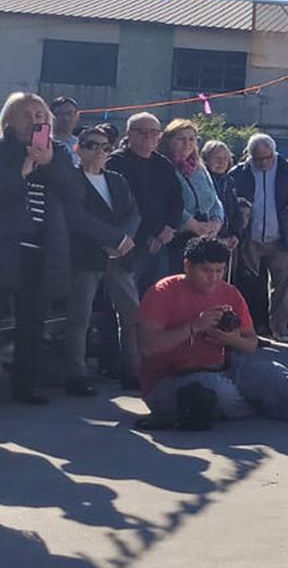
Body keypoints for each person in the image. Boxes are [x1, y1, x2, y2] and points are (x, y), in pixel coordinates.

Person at [137, 237, 288, 430]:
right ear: (187, 266)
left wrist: (232, 339)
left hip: (223, 367)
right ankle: (264, 403)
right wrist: (194, 326)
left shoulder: (229, 293)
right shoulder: (162, 292)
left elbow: (250, 344)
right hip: (169, 380)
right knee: (224, 392)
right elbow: (148, 347)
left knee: (270, 373)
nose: (214, 278)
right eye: (206, 271)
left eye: (219, 271)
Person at [1, 92, 76, 403]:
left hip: (42, 250)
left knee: (33, 321)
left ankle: (25, 385)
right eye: (27, 114)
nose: (35, 120)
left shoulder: (57, 152)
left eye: (40, 114)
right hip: (7, 245)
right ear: (9, 121)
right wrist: (26, 167)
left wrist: (49, 164)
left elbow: (75, 193)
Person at [62, 124, 140, 397]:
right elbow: (76, 218)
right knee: (79, 316)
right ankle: (76, 374)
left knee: (132, 314)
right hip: (86, 255)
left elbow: (133, 212)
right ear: (78, 148)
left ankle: (134, 369)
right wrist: (114, 239)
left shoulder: (117, 179)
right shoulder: (71, 179)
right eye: (91, 145)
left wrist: (125, 240)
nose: (98, 151)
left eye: (105, 146)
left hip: (120, 257)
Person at [229, 134, 288, 342]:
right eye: (257, 159)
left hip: (282, 238)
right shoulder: (238, 173)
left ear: (275, 153)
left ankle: (280, 329)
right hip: (250, 238)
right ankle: (253, 329)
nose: (263, 163)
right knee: (251, 286)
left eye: (267, 158)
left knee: (282, 287)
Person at [106, 112, 185, 294]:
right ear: (129, 134)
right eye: (141, 132)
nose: (148, 137)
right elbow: (125, 204)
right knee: (125, 299)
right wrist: (151, 233)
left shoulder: (163, 165)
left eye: (154, 132)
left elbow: (177, 200)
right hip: (129, 243)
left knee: (156, 295)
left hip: (161, 242)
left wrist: (169, 227)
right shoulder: (115, 162)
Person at [159, 119, 226, 271]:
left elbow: (214, 199)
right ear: (168, 140)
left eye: (191, 139)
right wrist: (192, 224)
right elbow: (166, 201)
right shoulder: (162, 166)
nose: (187, 143)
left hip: (203, 236)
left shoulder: (199, 168)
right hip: (176, 237)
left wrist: (216, 221)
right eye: (181, 139)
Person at [50, 96, 81, 167]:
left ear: (77, 116)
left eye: (69, 113)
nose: (65, 118)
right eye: (59, 114)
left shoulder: (82, 144)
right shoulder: (46, 144)